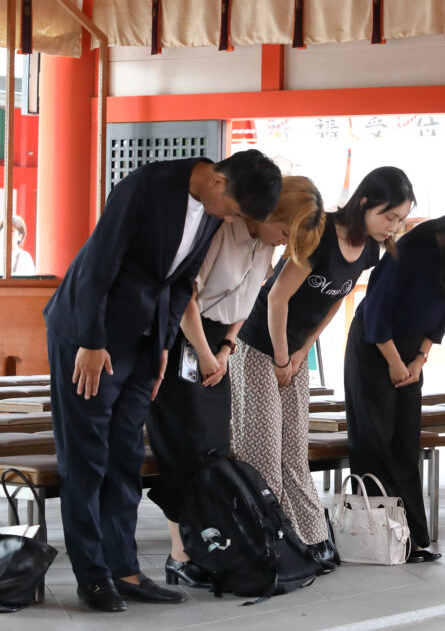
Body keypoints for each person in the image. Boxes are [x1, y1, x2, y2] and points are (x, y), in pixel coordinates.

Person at [43, 149, 282, 613]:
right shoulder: (146, 186)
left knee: (126, 457)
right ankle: (93, 576)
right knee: (87, 457)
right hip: (89, 335)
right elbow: (98, 263)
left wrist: (163, 353)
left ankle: (125, 570)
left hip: (145, 339)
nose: (230, 219)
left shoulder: (213, 206)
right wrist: (91, 342)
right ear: (217, 183)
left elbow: (180, 281)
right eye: (232, 210)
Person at [230, 166, 416, 571]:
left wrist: (303, 351)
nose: (394, 227)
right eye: (389, 217)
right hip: (258, 345)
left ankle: (311, 538)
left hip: (293, 353)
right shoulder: (321, 232)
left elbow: (336, 301)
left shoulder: (368, 249)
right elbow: (277, 298)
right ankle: (269, 544)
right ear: (365, 202)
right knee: (262, 454)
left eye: (400, 220)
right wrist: (281, 357)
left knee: (295, 451)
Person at [146, 176, 324, 588]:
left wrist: (226, 348)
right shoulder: (222, 230)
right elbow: (184, 296)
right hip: (181, 341)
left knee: (213, 452)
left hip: (221, 346)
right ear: (269, 214)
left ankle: (207, 547)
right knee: (182, 448)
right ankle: (180, 553)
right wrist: (208, 354)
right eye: (283, 232)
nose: (281, 245)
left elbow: (248, 300)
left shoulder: (264, 246)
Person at [344, 199, 445, 562]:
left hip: (409, 355)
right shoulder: (413, 248)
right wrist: (393, 362)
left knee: (404, 444)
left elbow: (442, 312)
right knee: (374, 442)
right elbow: (376, 310)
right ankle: (381, 540)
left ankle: (413, 538)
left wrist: (419, 360)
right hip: (374, 348)